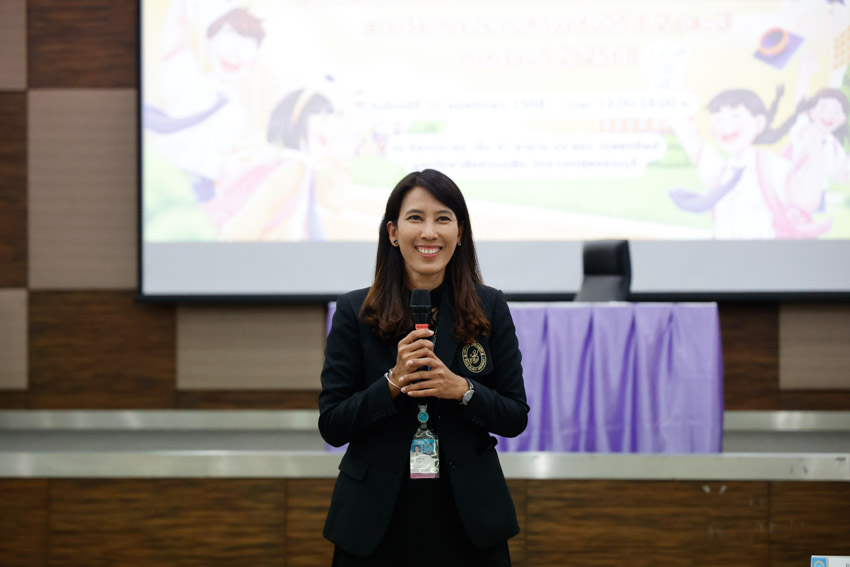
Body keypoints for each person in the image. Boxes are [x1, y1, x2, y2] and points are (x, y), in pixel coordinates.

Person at [318, 169, 529, 566]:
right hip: (375, 520)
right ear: (393, 232)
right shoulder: (354, 311)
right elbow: (332, 425)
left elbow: (515, 416)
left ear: (459, 232)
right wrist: (393, 381)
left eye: (442, 218)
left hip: (468, 519)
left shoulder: (490, 306)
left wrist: (462, 390)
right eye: (415, 218)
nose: (429, 232)